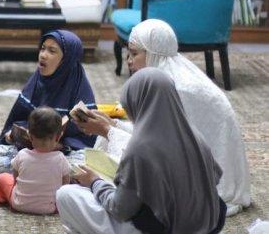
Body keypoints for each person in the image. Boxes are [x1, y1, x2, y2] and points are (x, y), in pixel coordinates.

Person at [74, 19, 251, 216]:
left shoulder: (177, 88)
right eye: (128, 53)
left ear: (154, 54)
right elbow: (152, 132)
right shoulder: (164, 77)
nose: (128, 60)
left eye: (134, 53)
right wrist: (112, 123)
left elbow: (158, 149)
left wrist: (108, 131)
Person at [57, 68, 226, 234]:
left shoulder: (140, 148)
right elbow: (214, 180)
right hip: (207, 225)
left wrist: (94, 182)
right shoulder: (194, 135)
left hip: (165, 228)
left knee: (66, 194)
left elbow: (120, 209)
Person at [0, 30, 96, 179]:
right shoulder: (36, 83)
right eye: (42, 48)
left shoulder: (79, 88)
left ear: (66, 60)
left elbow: (88, 138)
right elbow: (18, 121)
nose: (43, 55)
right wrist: (13, 135)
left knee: (86, 165)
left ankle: (33, 173)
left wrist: (60, 145)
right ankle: (46, 176)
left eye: (52, 51)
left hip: (64, 156)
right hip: (30, 153)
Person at [0, 107, 70, 215]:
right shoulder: (60, 158)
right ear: (58, 137)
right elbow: (66, 184)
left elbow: (15, 177)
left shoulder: (22, 154)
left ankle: (1, 198)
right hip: (50, 208)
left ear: (29, 136)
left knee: (2, 178)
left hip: (19, 205)